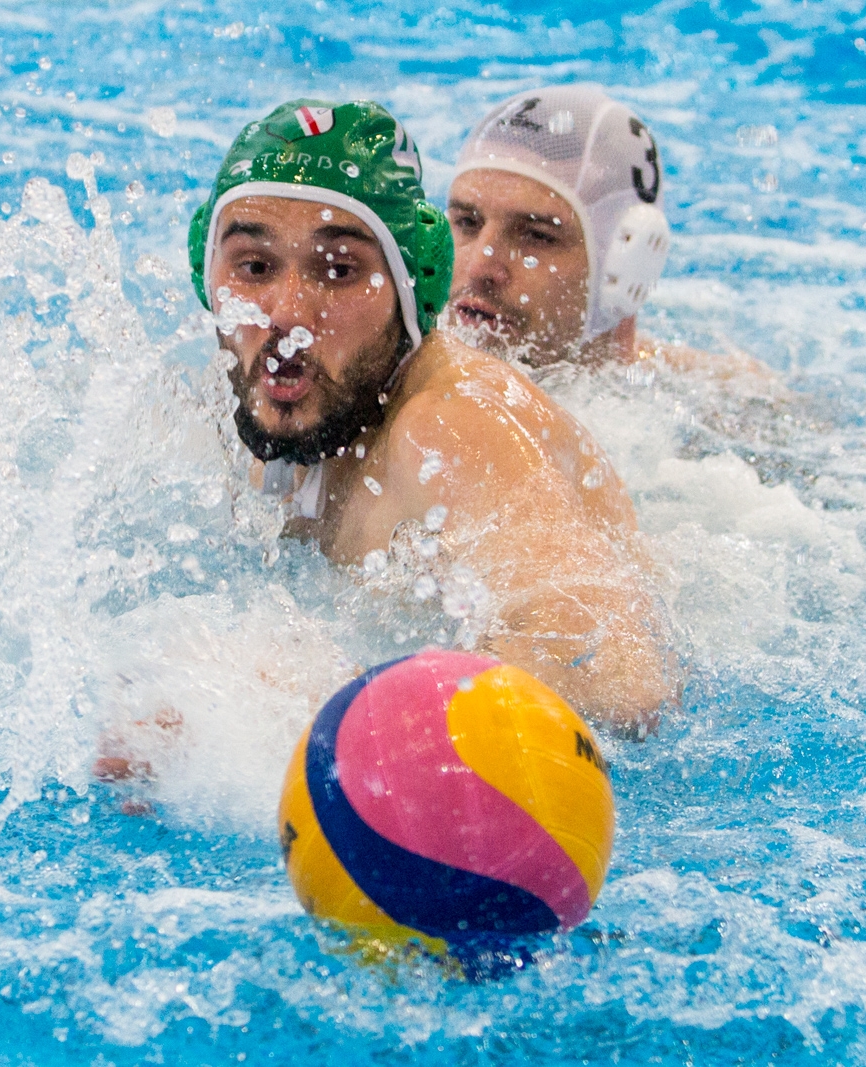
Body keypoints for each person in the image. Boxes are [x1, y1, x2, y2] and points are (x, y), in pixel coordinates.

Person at [178, 99, 678, 735]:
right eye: (254, 266)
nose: (284, 313)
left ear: (415, 286)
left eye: (338, 271)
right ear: (207, 273)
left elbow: (615, 671)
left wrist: (311, 710)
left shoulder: (447, 429)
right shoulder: (270, 408)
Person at [443, 84, 771, 379]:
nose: (478, 268)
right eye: (467, 223)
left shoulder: (726, 403)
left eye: (537, 235)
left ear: (626, 259)